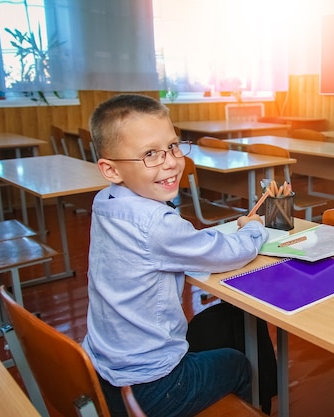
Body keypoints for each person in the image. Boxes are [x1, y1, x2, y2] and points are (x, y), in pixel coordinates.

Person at [82, 93, 269, 417]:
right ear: (111, 169)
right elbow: (225, 254)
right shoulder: (154, 222)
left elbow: (178, 244)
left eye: (172, 146)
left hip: (102, 368)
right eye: (150, 154)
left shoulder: (105, 201)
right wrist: (253, 228)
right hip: (153, 384)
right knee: (239, 363)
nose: (170, 161)